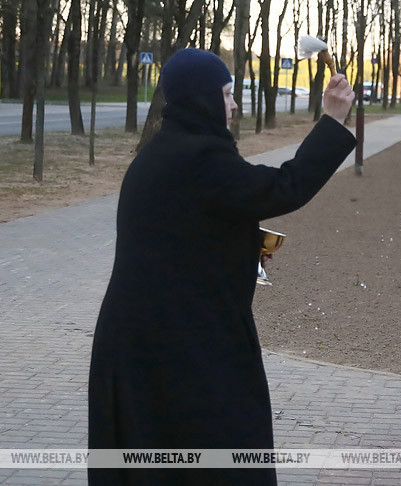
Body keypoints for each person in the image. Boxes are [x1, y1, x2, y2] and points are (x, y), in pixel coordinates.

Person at [88, 48, 356, 485]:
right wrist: (331, 120)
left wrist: (241, 244)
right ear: (201, 99)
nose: (233, 106)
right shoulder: (200, 160)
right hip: (183, 353)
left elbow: (182, 232)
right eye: (227, 94)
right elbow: (284, 187)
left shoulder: (159, 155)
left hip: (147, 346)